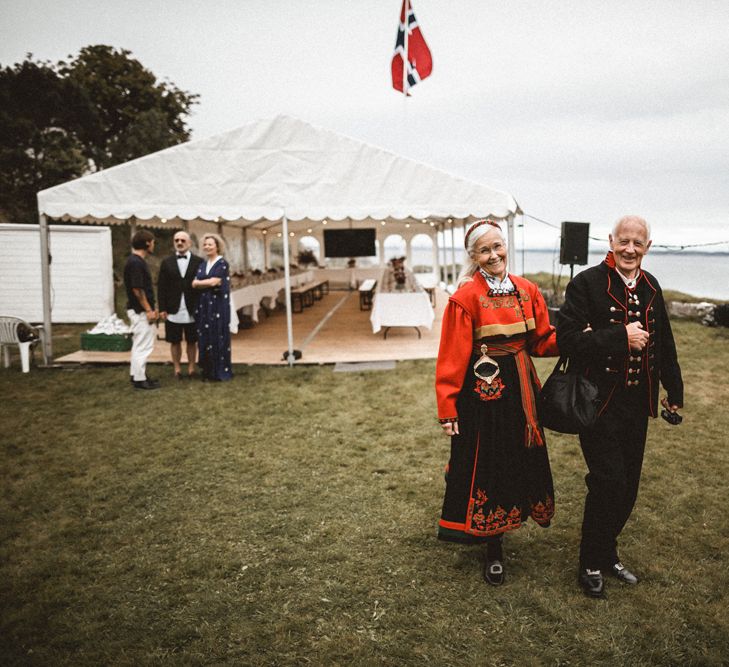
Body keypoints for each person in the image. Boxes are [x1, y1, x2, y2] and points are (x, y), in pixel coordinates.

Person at [557, 215, 683, 599]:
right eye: (623, 241)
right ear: (611, 241)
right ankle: (589, 562)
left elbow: (665, 343)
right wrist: (619, 337)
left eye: (638, 243)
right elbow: (567, 340)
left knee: (627, 487)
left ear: (648, 245)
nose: (630, 249)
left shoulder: (651, 286)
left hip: (636, 403)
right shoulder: (587, 284)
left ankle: (607, 552)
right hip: (597, 403)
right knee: (608, 481)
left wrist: (673, 391)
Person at [435, 219, 559, 585]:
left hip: (522, 391)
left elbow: (540, 342)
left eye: (498, 246)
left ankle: (511, 519)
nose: (494, 255)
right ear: (474, 257)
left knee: (518, 458)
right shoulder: (466, 298)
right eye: (485, 250)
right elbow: (451, 358)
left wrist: (576, 337)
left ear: (507, 247)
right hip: (483, 394)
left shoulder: (527, 290)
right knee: (490, 464)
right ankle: (493, 548)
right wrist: (448, 407)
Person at [157, 231, 203, 379]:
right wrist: (162, 308)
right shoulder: (166, 262)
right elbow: (161, 286)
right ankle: (176, 368)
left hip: (192, 307)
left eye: (183, 240)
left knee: (192, 340)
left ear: (189, 243)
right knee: (174, 340)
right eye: (177, 240)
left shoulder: (199, 261)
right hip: (173, 308)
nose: (180, 243)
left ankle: (191, 368)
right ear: (174, 243)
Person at [192, 233, 233, 381]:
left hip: (217, 305)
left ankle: (220, 371)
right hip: (204, 305)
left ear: (217, 246)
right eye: (205, 244)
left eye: (210, 244)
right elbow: (197, 282)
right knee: (205, 335)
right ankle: (207, 370)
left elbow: (214, 282)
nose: (207, 247)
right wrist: (203, 283)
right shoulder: (203, 264)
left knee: (218, 334)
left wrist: (199, 283)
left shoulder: (222, 263)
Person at [123, 229, 159, 390]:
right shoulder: (136, 262)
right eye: (152, 242)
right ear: (147, 243)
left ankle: (137, 374)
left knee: (140, 344)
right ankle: (139, 379)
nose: (153, 245)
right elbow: (137, 290)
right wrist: (149, 310)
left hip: (138, 310)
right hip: (140, 311)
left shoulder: (135, 261)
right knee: (143, 345)